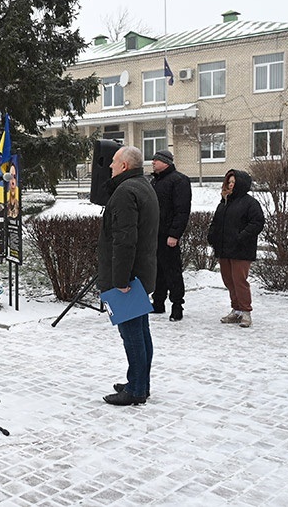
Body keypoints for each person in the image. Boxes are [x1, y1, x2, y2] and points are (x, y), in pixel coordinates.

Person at [96, 147, 159, 406]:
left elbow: (125, 240)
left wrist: (120, 280)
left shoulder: (125, 192)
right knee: (141, 331)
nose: (109, 167)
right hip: (140, 272)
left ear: (124, 166)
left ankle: (136, 390)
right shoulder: (142, 185)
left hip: (128, 278)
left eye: (113, 163)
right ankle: (139, 381)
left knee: (132, 333)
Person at [207, 170, 265, 328]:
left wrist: (242, 236)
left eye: (233, 182)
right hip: (224, 249)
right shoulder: (224, 202)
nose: (230, 185)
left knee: (239, 281)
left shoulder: (250, 203)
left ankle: (246, 311)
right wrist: (212, 236)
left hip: (241, 249)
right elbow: (216, 222)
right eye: (229, 182)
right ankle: (236, 309)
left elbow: (257, 222)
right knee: (229, 280)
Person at [149, 150, 192, 321]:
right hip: (154, 235)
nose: (152, 162)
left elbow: (182, 211)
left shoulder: (179, 180)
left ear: (166, 162)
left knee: (172, 271)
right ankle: (158, 302)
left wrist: (174, 234)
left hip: (168, 235)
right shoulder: (155, 181)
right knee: (158, 270)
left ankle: (177, 306)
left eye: (156, 160)